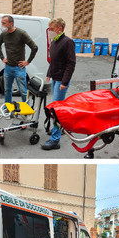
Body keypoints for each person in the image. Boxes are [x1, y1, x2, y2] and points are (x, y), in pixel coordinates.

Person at [41, 18, 76, 150]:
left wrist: (65, 82)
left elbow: (71, 63)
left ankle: (55, 140)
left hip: (62, 80)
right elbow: (53, 61)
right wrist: (49, 73)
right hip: (55, 78)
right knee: (57, 107)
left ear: (59, 29)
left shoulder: (67, 42)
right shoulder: (55, 41)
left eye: (52, 29)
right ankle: (59, 129)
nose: (50, 31)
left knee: (56, 110)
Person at [0, 15, 38, 104]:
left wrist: (28, 61)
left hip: (19, 68)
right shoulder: (4, 34)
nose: (2, 25)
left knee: (23, 91)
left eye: (4, 23)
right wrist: (2, 58)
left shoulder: (21, 33)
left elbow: (34, 47)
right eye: (1, 23)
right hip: (8, 68)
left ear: (11, 23)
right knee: (7, 90)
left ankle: (26, 109)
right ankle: (8, 106)